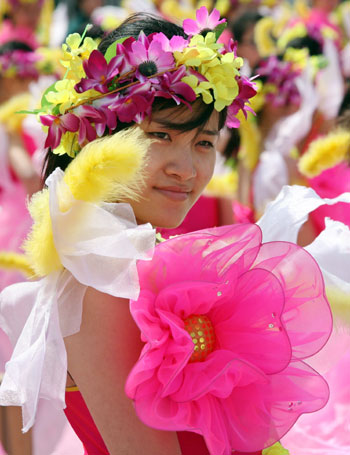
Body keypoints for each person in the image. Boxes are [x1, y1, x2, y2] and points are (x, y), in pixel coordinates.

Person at [0, 7, 339, 455]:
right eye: (160, 136)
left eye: (203, 142)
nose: (186, 169)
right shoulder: (101, 285)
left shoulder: (131, 261)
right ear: (102, 139)